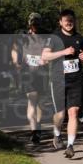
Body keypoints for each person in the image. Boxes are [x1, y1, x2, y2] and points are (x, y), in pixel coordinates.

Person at [42, 9, 83, 158]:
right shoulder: (54, 38)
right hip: (58, 80)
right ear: (60, 22)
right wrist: (63, 52)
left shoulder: (79, 38)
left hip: (76, 80)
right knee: (60, 114)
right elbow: (45, 56)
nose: (69, 23)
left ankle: (70, 145)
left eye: (71, 20)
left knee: (73, 112)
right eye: (66, 20)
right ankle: (56, 134)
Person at [11, 12, 49, 145]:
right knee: (32, 100)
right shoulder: (23, 36)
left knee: (40, 103)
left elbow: (50, 52)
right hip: (28, 74)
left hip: (42, 74)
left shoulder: (46, 37)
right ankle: (34, 131)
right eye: (33, 22)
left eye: (37, 22)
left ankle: (37, 126)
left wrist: (47, 60)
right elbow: (15, 49)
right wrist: (16, 62)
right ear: (29, 23)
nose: (35, 25)